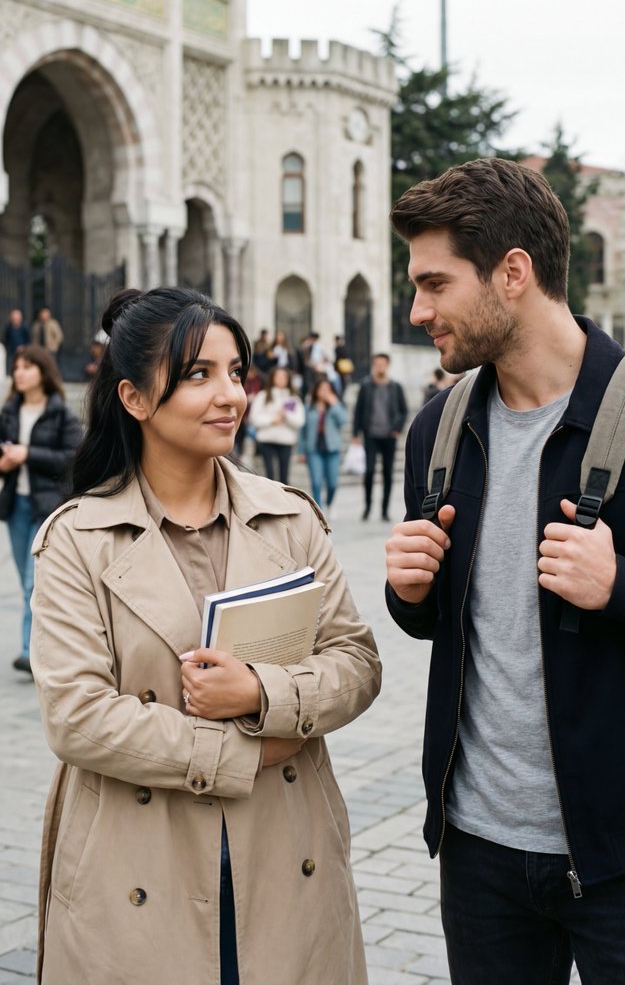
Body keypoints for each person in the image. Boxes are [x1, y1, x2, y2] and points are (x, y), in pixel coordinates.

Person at [30, 286, 381, 985]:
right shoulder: (78, 539)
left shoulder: (290, 519)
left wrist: (260, 692)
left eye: (235, 371)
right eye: (199, 375)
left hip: (287, 855)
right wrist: (243, 751)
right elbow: (77, 716)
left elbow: (357, 662)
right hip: (136, 868)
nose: (231, 395)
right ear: (133, 398)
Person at [384, 156, 625, 985]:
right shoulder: (434, 431)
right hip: (477, 854)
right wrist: (409, 594)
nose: (418, 310)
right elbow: (447, 622)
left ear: (514, 273)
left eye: (436, 284)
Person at [0, 345, 82, 674]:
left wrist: (27, 454)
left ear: (43, 372)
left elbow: (72, 458)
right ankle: (36, 647)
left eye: (26, 367)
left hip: (46, 505)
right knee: (24, 581)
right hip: (16, 504)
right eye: (17, 367)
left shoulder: (61, 413)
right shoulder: (9, 411)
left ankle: (30, 651)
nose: (19, 372)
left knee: (36, 582)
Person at [352, 353, 408, 522]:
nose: (380, 367)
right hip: (371, 435)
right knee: (369, 472)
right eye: (377, 364)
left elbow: (403, 410)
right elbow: (358, 410)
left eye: (383, 364)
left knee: (387, 474)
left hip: (389, 436)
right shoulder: (366, 385)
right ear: (373, 365)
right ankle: (368, 506)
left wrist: (397, 429)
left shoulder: (395, 387)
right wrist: (356, 432)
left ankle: (384, 510)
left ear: (387, 365)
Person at [249, 364, 305, 483]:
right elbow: (254, 418)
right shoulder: (263, 396)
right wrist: (272, 420)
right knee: (269, 475)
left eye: (284, 377)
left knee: (284, 476)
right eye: (278, 376)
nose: (281, 379)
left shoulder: (293, 398)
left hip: (286, 441)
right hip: (267, 440)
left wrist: (286, 416)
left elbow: (300, 421)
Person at [304, 375, 348, 514]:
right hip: (314, 449)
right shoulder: (309, 407)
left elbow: (344, 420)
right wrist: (301, 450)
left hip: (332, 449)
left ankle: (329, 503)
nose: (324, 392)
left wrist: (335, 404)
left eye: (327, 389)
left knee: (332, 484)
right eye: (321, 389)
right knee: (316, 483)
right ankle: (319, 511)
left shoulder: (335, 406)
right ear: (316, 391)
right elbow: (302, 430)